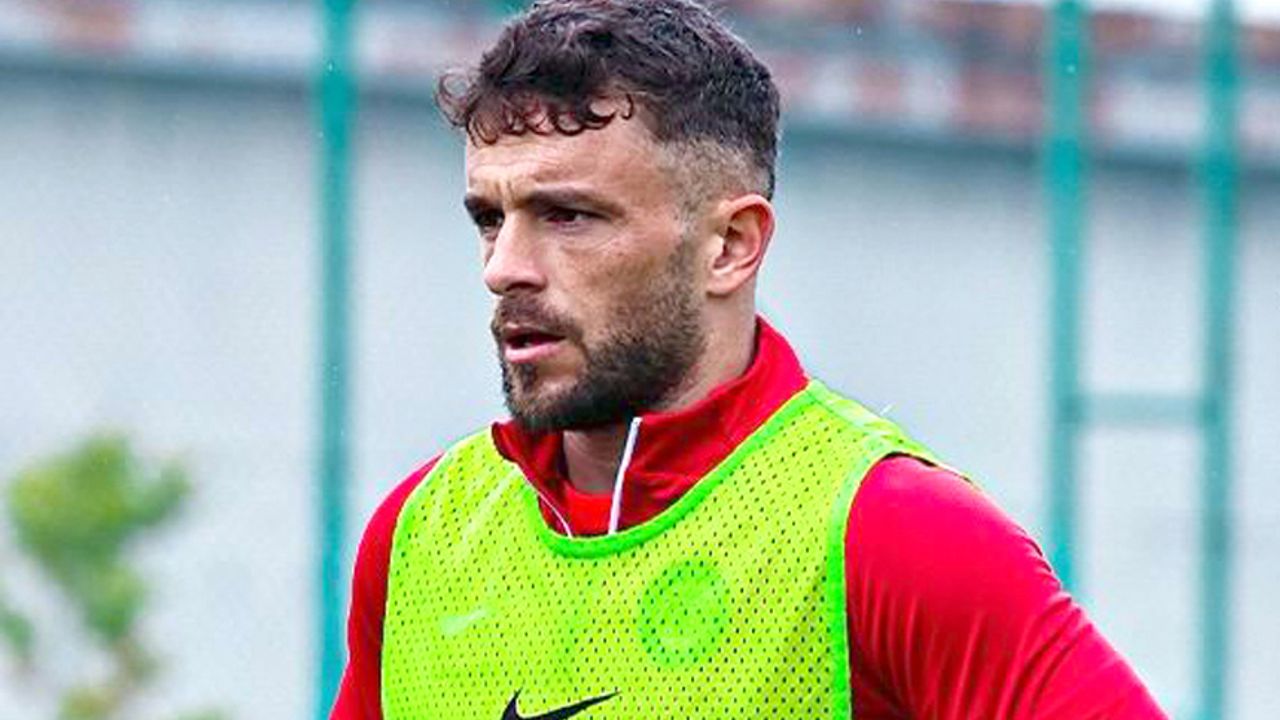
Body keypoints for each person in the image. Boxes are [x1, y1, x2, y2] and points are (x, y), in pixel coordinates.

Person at [331, 1, 1167, 717]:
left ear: (731, 245)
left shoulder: (895, 534)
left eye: (568, 216)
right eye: (490, 218)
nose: (504, 266)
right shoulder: (417, 538)